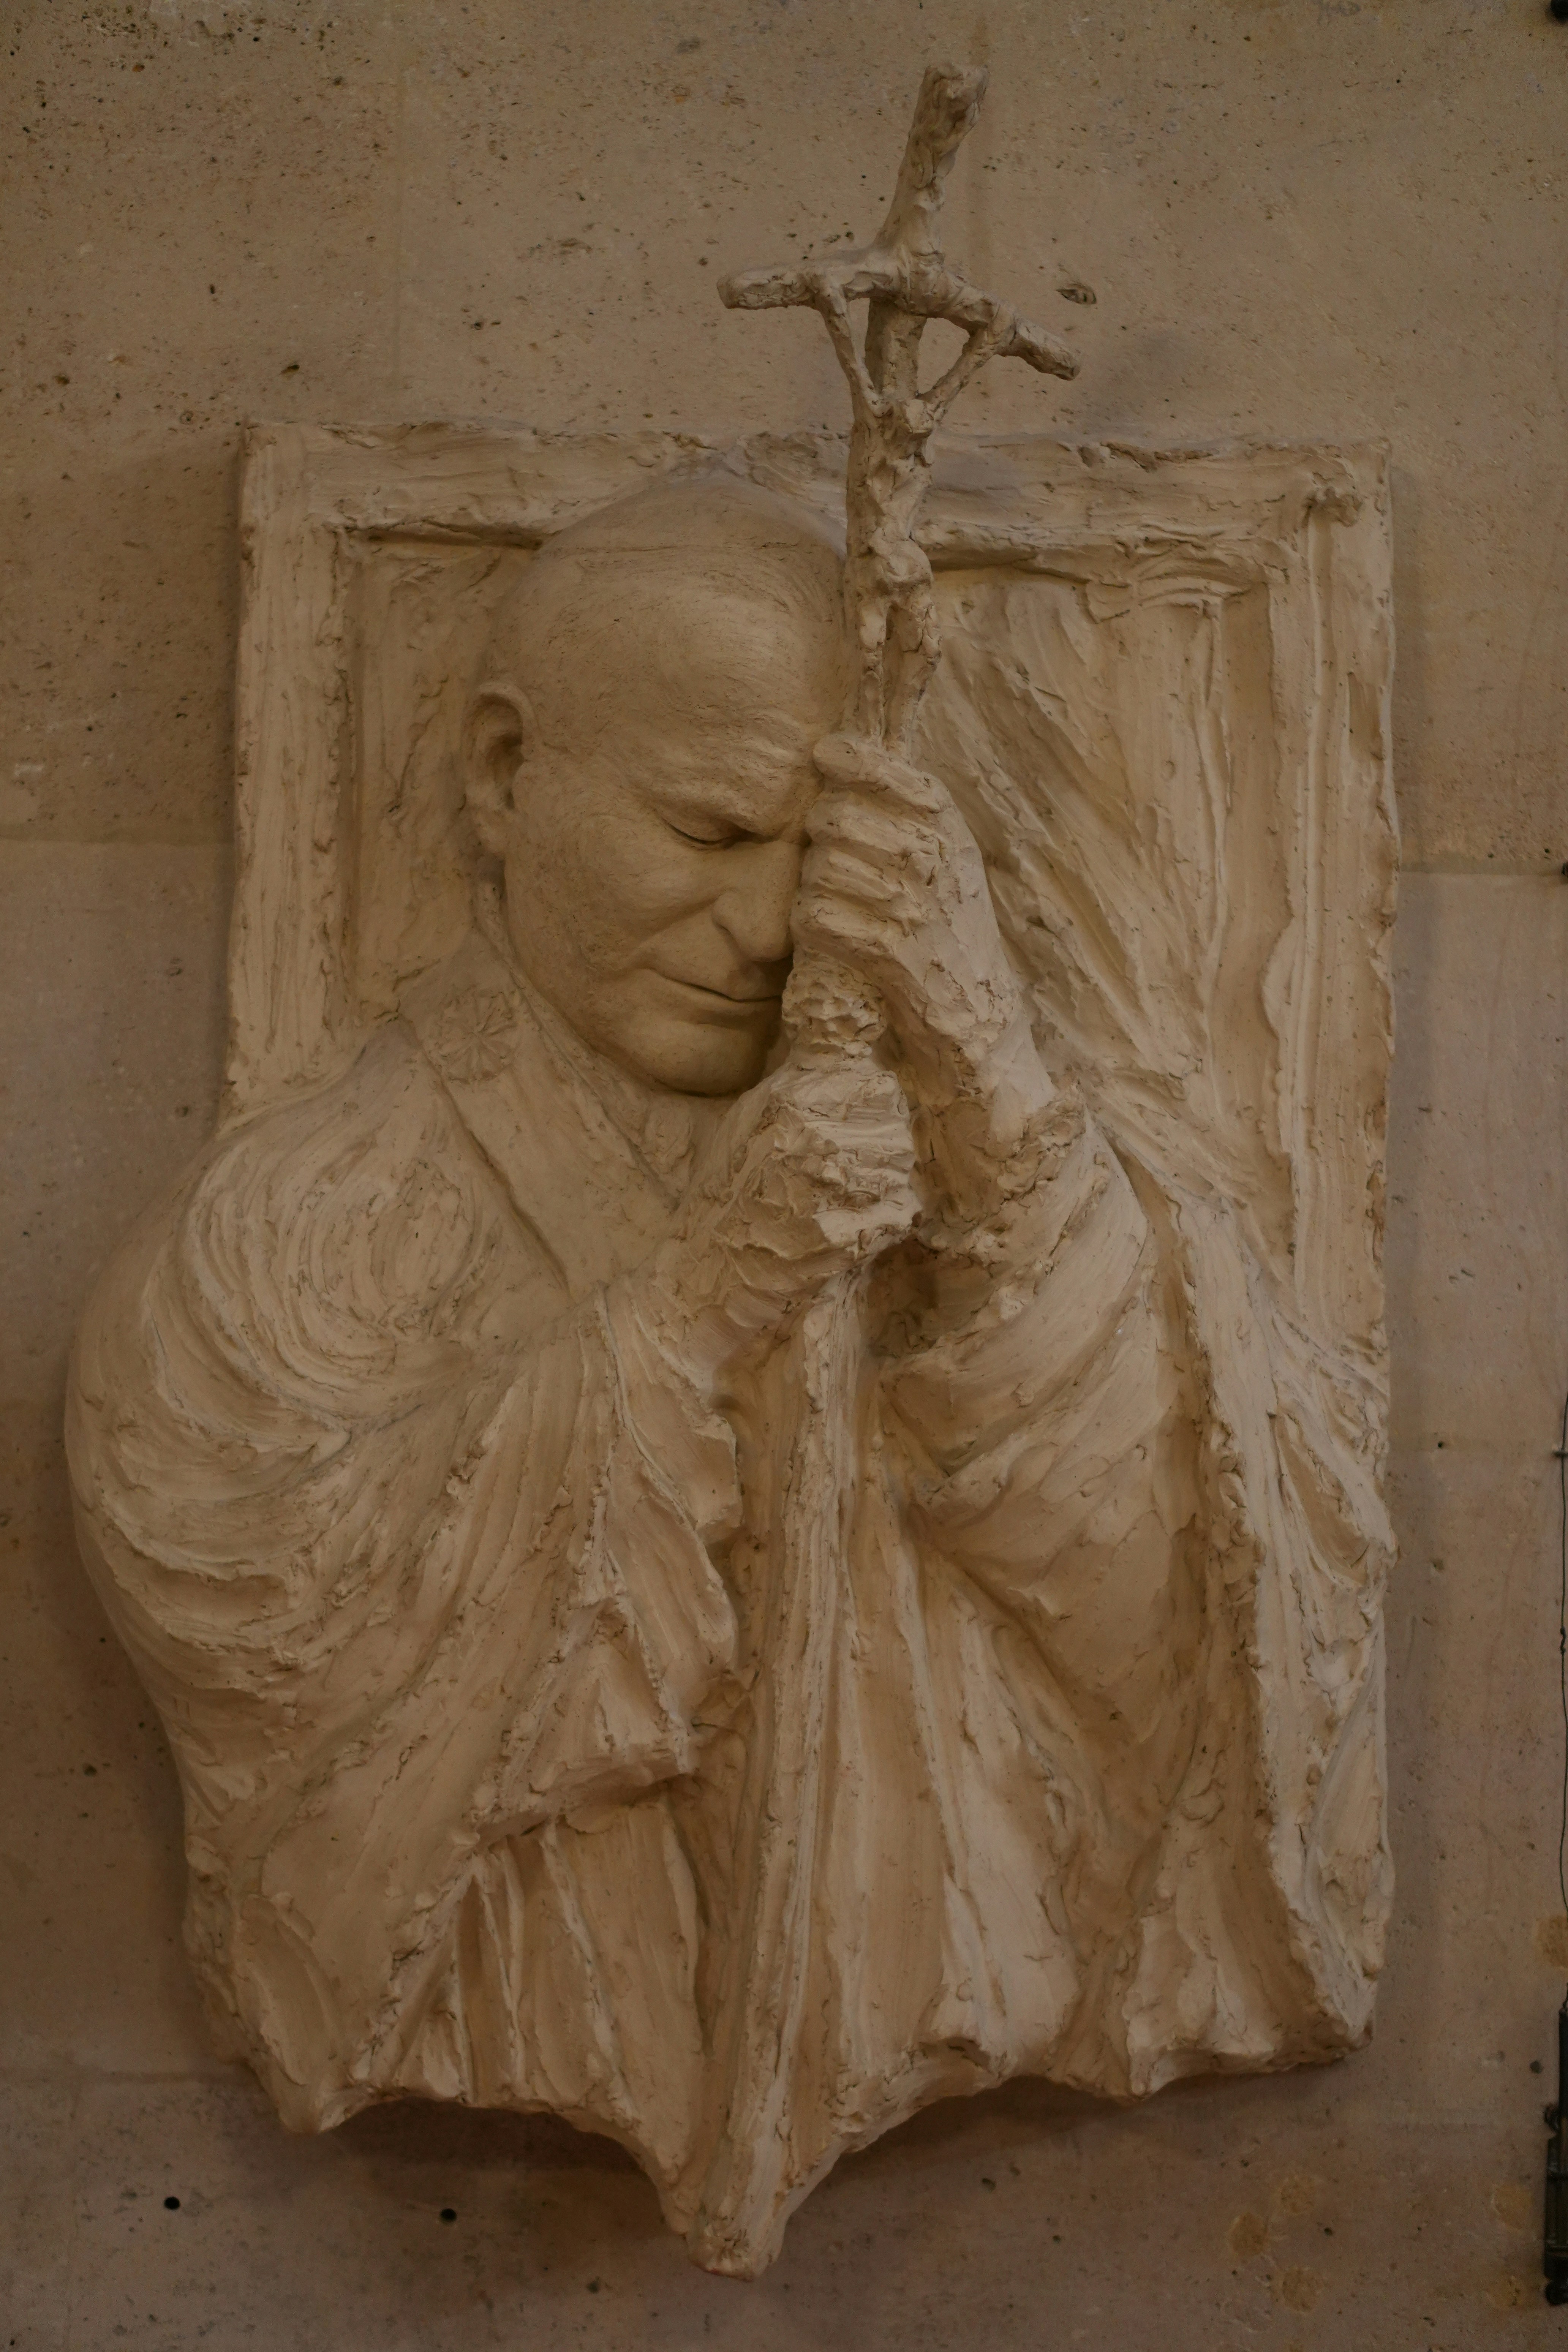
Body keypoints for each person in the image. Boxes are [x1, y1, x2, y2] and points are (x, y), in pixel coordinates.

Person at [66, 476, 1390, 2277]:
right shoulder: (301, 1233)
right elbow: (268, 1621)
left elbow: (1252, 1610)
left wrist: (995, 1102)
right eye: (707, 830)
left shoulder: (989, 1151)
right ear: (505, 773)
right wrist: (692, 1311)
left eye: (820, 863)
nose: (773, 930)